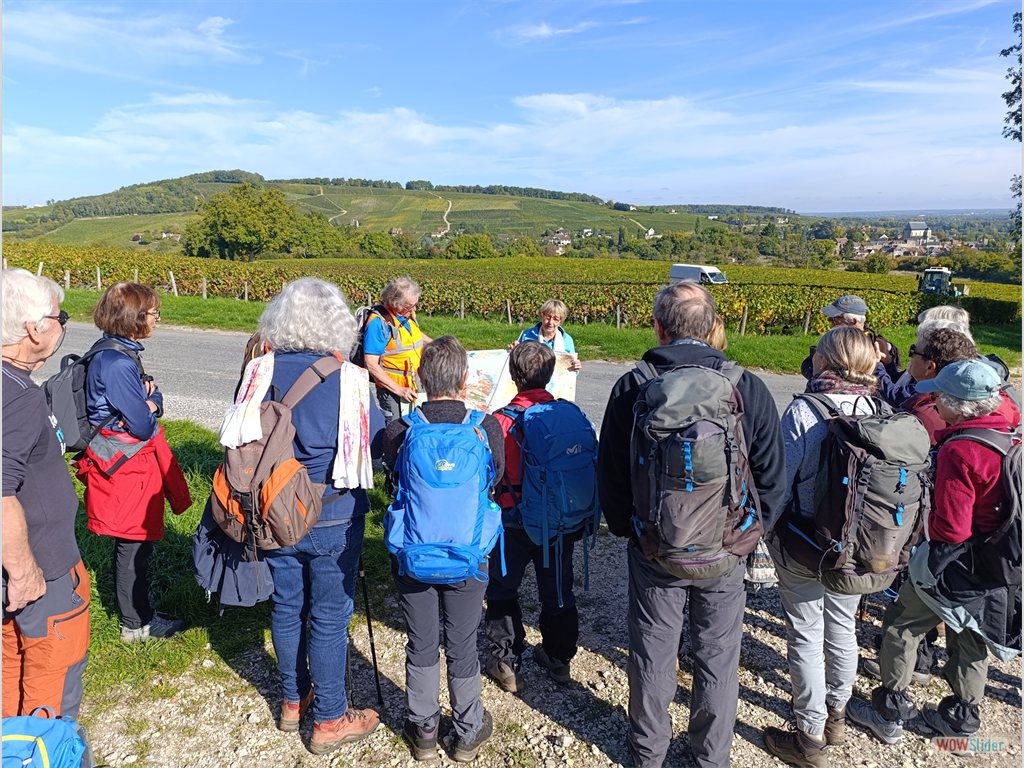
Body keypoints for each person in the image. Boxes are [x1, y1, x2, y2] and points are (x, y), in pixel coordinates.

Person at [598, 282, 785, 768]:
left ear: (658, 328)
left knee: (653, 654)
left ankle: (647, 754)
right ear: (712, 329)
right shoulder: (747, 386)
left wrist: (629, 530)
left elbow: (612, 472)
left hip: (656, 546)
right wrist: (749, 535)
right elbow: (772, 477)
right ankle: (710, 758)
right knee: (718, 656)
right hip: (725, 549)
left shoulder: (633, 385)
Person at [231, 278, 384, 753]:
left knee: (287, 605)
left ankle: (294, 700)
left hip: (271, 511)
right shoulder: (351, 379)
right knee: (330, 616)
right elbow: (375, 447)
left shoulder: (260, 371)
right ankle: (330, 718)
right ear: (339, 324)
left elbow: (238, 436)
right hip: (332, 511)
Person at [847, 359, 1021, 746]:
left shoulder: (962, 450)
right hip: (996, 562)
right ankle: (962, 718)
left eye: (940, 397)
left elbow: (952, 527)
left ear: (958, 404)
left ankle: (888, 709)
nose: (934, 404)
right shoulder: (1009, 434)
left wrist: (923, 540)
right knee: (971, 636)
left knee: (902, 625)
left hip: (955, 562)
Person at [761, 327, 885, 768]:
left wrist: (763, 535)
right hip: (864, 546)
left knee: (806, 634)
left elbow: (777, 483)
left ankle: (809, 737)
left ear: (826, 361)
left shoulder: (804, 410)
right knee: (844, 627)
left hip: (807, 543)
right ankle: (836, 715)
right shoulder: (880, 408)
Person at [383, 336, 505, 763]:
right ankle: (468, 731)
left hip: (414, 556)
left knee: (420, 642)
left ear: (420, 378)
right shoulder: (484, 427)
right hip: (468, 557)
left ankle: (423, 732)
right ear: (466, 379)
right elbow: (495, 481)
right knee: (463, 642)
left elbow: (391, 483)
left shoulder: (400, 429)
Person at [75, 283, 191, 643]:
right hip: (126, 469)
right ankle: (136, 625)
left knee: (135, 544)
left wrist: (147, 399)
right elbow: (141, 423)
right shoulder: (117, 363)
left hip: (121, 466)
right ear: (135, 318)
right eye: (154, 312)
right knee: (133, 545)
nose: (157, 318)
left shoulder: (110, 352)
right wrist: (154, 401)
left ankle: (138, 617)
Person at [2, 268, 91, 719]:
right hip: (42, 573)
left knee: (9, 679)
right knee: (51, 694)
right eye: (60, 317)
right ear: (35, 330)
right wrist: (22, 572)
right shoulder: (16, 395)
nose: (62, 325)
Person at [484, 341, 588, 691]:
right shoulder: (566, 413)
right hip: (559, 519)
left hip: (512, 520)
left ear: (514, 376)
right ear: (549, 374)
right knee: (558, 589)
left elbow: (488, 476)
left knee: (502, 589)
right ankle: (559, 658)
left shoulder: (497, 421)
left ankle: (505, 660)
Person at [362, 276, 433, 425]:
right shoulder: (378, 324)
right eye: (408, 306)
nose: (413, 310)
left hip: (414, 383)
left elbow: (413, 334)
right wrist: (399, 390)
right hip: (393, 391)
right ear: (395, 303)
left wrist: (436, 344)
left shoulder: (407, 314)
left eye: (415, 305)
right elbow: (371, 364)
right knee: (396, 430)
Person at [800, 295, 898, 385]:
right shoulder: (833, 340)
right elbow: (806, 365)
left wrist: (886, 363)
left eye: (835, 318)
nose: (829, 321)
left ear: (853, 321)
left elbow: (892, 382)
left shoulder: (881, 347)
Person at [512, 299, 582, 372]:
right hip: (530, 382)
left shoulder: (567, 340)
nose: (550, 322)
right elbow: (515, 363)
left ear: (561, 321)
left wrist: (576, 367)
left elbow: (571, 372)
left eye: (556, 319)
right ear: (541, 316)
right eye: (547, 317)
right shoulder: (526, 335)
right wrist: (512, 352)